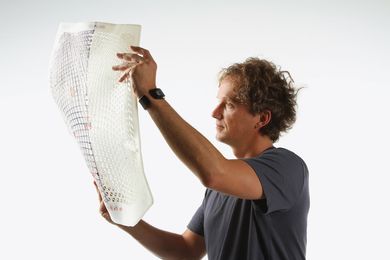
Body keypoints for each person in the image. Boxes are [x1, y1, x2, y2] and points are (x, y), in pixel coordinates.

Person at [95, 46, 310, 260]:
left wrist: (150, 95)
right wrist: (125, 220)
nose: (215, 113)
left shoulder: (288, 167)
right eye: (219, 102)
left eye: (230, 105)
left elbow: (213, 173)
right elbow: (186, 251)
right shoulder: (219, 189)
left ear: (262, 119)